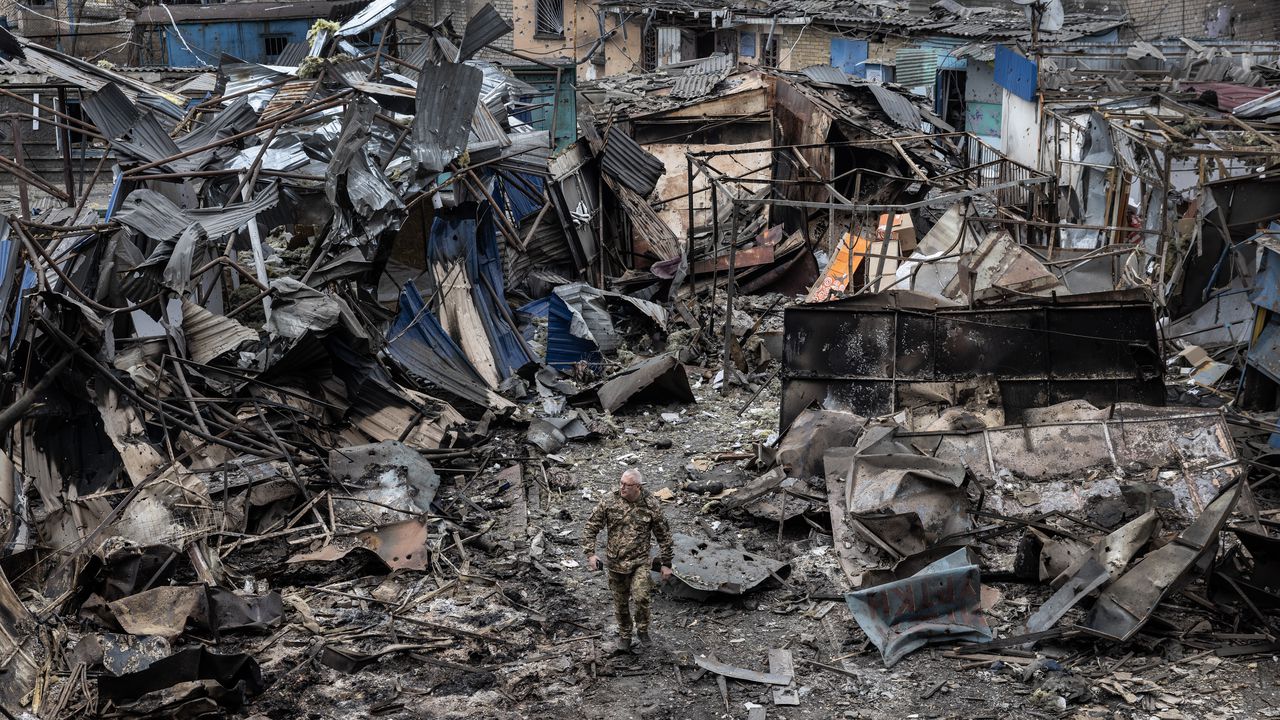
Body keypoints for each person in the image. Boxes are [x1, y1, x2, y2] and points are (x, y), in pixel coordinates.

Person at [581, 468, 674, 651]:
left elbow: (664, 536)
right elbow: (591, 527)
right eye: (621, 483)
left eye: (627, 485)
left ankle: (642, 629)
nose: (622, 487)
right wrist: (590, 554)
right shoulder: (609, 501)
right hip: (616, 563)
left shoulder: (650, 504)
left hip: (639, 562)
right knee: (620, 602)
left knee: (641, 598)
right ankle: (625, 634)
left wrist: (667, 564)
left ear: (638, 486)